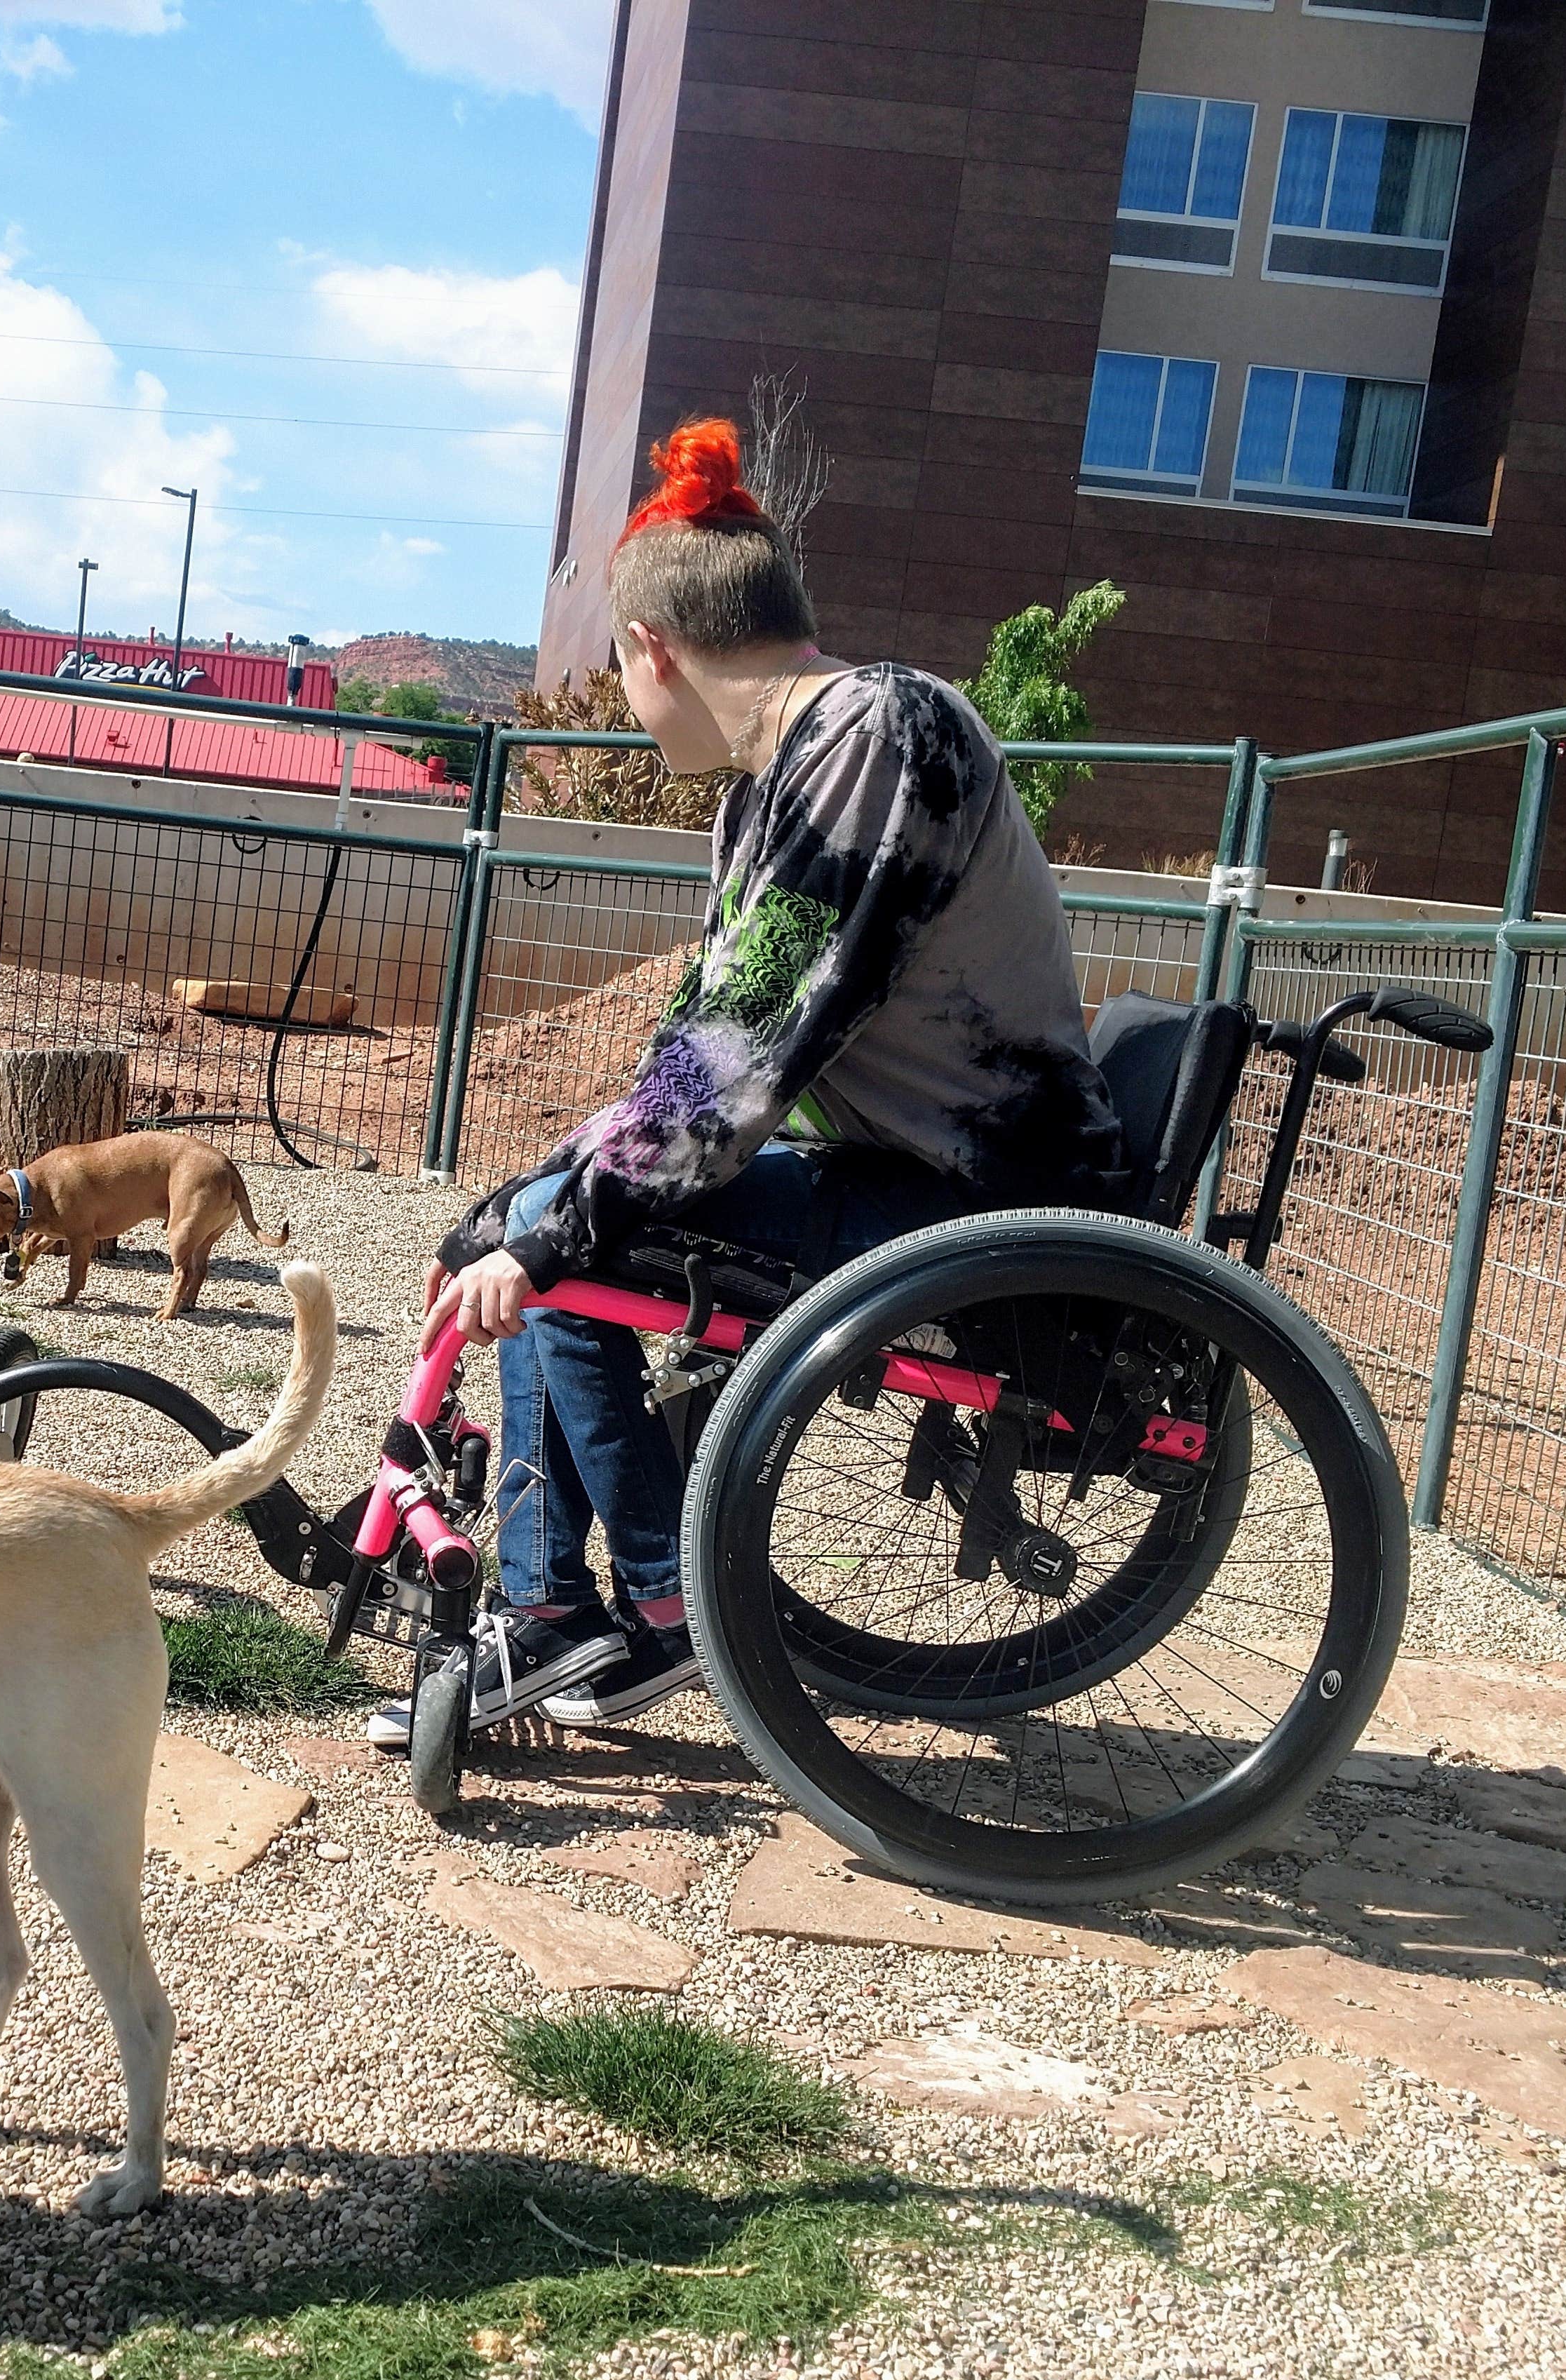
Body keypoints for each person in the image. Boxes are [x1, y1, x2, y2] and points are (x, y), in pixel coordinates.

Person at [372, 417, 1126, 1749]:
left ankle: (655, 1604)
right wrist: (516, 1207)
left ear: (653, 649)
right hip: (910, 1177)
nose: (625, 697)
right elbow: (701, 1044)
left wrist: (551, 1226)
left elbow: (740, 1059)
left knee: (578, 1243)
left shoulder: (878, 729)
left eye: (618, 669)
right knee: (561, 1222)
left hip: (983, 1208)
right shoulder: (781, 777)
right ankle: (557, 1612)